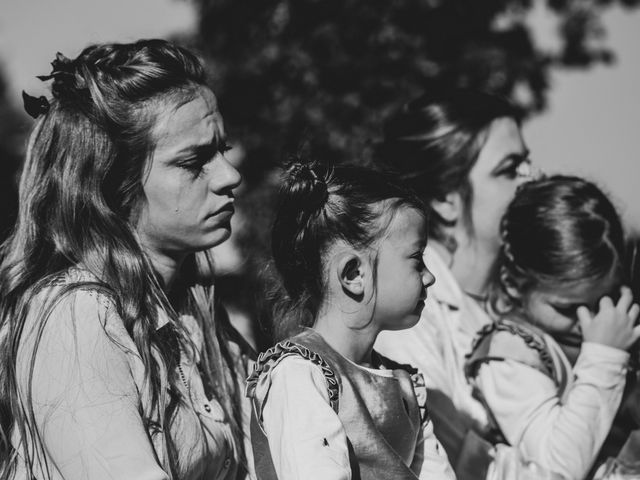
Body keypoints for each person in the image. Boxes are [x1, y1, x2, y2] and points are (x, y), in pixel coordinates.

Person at [0, 39, 254, 480]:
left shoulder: (197, 312)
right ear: (113, 182)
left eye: (223, 151)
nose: (230, 176)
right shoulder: (75, 316)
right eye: (195, 161)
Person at [245, 161, 456, 479]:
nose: (430, 277)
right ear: (353, 274)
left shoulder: (405, 386)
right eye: (417, 258)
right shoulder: (299, 375)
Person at [373, 88, 534, 476]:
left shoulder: (535, 296)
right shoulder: (407, 318)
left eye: (528, 164)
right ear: (446, 196)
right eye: (510, 169)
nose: (534, 179)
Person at [465, 175, 640, 480]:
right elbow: (558, 465)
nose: (589, 320)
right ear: (514, 285)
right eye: (567, 308)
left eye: (605, 300)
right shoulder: (510, 355)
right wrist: (605, 357)